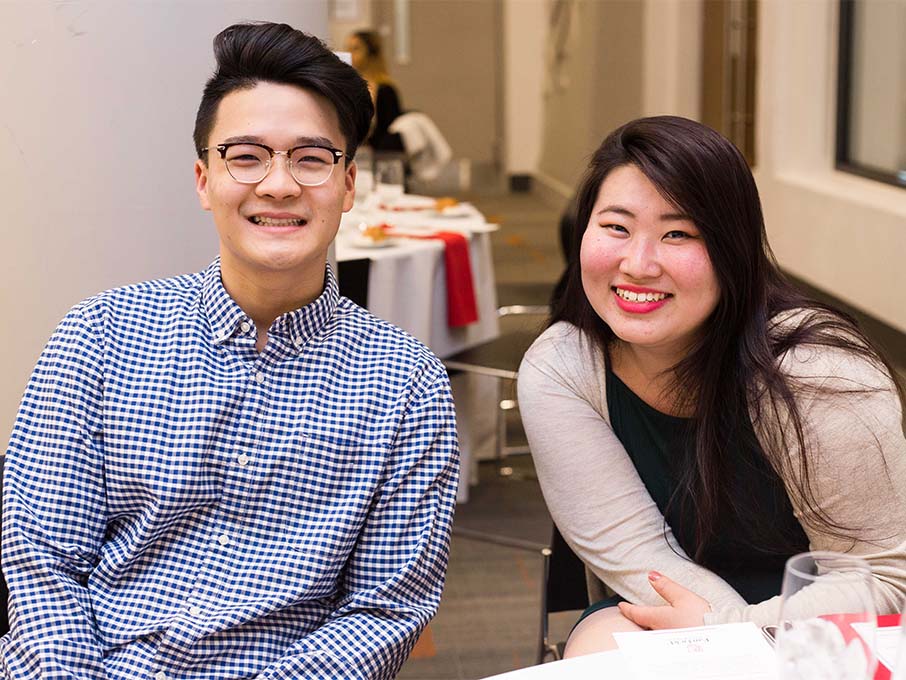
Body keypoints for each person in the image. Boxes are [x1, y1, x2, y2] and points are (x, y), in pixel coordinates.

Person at [0, 22, 459, 679]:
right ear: (203, 180)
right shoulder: (98, 336)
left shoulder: (404, 381)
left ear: (348, 184)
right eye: (246, 157)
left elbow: (385, 612)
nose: (277, 185)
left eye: (311, 158)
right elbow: (44, 561)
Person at [518, 116, 906, 656]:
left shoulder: (819, 373)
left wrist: (733, 630)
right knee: (602, 647)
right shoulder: (563, 366)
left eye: (679, 233)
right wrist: (720, 634)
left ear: (732, 249)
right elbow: (639, 558)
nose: (638, 264)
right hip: (674, 602)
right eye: (615, 227)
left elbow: (882, 580)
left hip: (826, 616)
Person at [345, 30, 405, 153]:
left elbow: (391, 132)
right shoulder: (348, 86)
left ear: (370, 53)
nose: (349, 54)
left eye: (356, 49)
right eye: (348, 48)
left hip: (378, 155)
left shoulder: (385, 90)